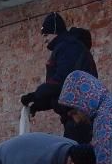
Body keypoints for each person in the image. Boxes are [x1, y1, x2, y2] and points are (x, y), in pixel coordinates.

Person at [20, 12, 98, 144]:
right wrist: (37, 105)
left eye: (46, 35)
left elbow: (61, 82)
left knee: (75, 159)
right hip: (74, 117)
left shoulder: (68, 47)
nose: (44, 39)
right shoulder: (67, 47)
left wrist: (35, 96)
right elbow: (60, 92)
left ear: (55, 31)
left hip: (79, 117)